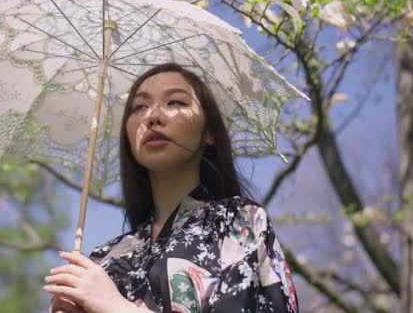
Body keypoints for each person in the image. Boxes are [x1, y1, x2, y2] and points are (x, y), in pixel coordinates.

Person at [43, 63, 298, 313]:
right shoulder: (104, 258)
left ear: (209, 132)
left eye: (176, 102)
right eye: (139, 107)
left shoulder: (238, 223)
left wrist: (117, 307)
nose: (152, 116)